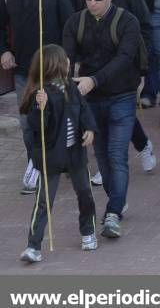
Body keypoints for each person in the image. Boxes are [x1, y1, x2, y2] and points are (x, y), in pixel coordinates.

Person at [62, 0, 144, 239]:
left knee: (117, 155)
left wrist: (93, 80)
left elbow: (124, 58)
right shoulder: (76, 22)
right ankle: (117, 200)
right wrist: (65, 83)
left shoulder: (127, 21)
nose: (92, 2)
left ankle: (113, 212)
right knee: (103, 158)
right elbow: (67, 58)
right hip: (91, 102)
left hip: (121, 95)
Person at [1, 0, 73, 194]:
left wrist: (67, 57)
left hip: (53, 67)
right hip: (23, 69)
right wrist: (4, 51)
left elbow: (69, 23)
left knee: (59, 115)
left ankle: (66, 161)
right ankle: (35, 163)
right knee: (27, 120)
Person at [19, 45, 97, 263]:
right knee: (44, 201)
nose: (69, 63)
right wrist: (40, 108)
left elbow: (83, 110)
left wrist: (90, 129)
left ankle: (88, 231)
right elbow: (38, 128)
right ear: (56, 65)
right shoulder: (41, 93)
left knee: (84, 192)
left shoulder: (71, 87)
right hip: (52, 154)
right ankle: (33, 246)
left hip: (75, 152)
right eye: (66, 60)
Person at [90, 0, 156, 181]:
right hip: (99, 67)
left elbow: (146, 29)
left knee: (122, 113)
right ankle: (107, 163)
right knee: (104, 115)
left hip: (127, 67)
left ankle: (142, 146)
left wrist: (142, 65)